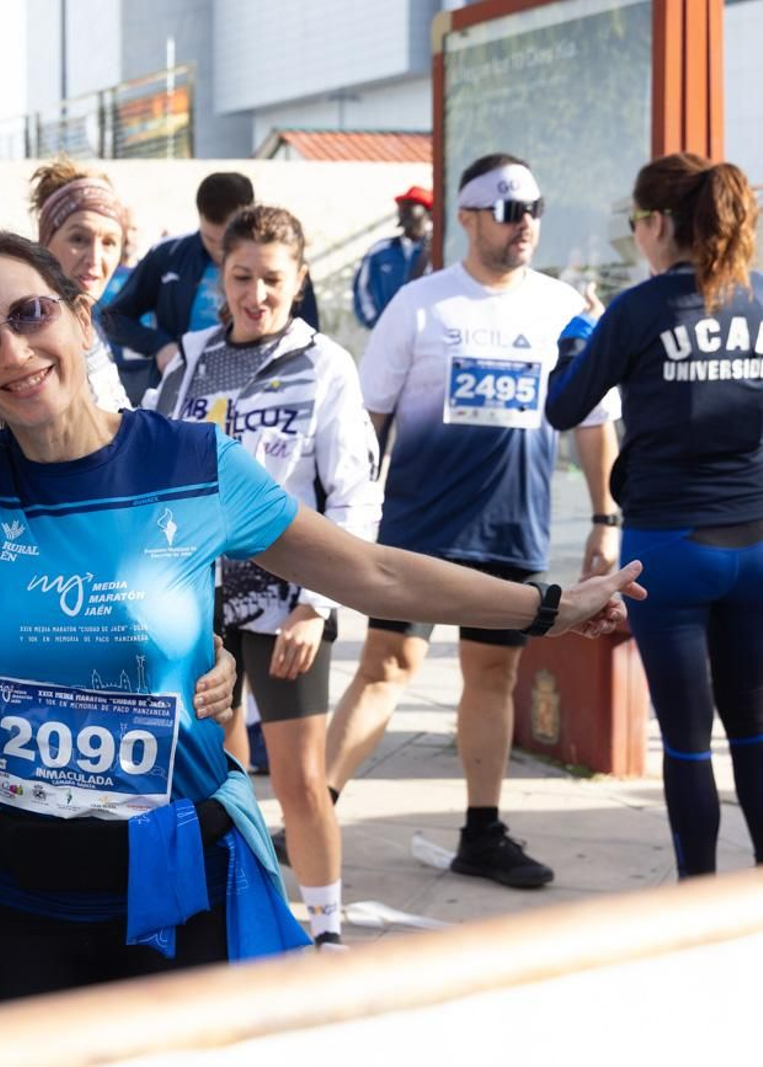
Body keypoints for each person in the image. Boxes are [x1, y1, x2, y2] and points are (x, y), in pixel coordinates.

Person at [0, 225, 640, 1002]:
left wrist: (545, 603)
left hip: (175, 873)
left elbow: (372, 572)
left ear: (81, 318)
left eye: (30, 314)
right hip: (18, 887)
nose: (12, 350)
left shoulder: (192, 463)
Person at [322, 153, 623, 889]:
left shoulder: (562, 308)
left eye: (534, 209)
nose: (526, 224)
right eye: (509, 209)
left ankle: (482, 835)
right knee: (386, 668)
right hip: (419, 533)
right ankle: (311, 812)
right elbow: (368, 423)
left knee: (495, 675)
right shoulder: (419, 304)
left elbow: (593, 422)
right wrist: (347, 519)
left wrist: (605, 516)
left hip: (512, 532)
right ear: (466, 217)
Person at [148, 204, 382, 948]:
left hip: (288, 604)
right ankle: (242, 923)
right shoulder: (188, 360)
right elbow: (153, 466)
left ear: (300, 278)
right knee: (214, 775)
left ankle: (328, 933)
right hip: (195, 603)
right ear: (221, 277)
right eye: (242, 276)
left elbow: (354, 492)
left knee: (301, 778)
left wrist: (318, 604)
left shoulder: (325, 363)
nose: (257, 295)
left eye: (273, 279)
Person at [547, 153, 763, 878]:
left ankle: (695, 902)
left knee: (688, 743)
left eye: (636, 221)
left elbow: (564, 407)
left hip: (669, 546)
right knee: (755, 732)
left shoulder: (636, 310)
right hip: (755, 539)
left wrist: (576, 338)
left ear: (661, 223)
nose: (635, 235)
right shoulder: (758, 296)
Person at [0, 158, 130, 431]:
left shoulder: (94, 332)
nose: (95, 258)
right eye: (79, 239)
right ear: (44, 243)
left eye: (109, 242)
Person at [102, 172, 320, 387]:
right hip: (182, 387)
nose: (220, 252)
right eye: (209, 239)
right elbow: (113, 317)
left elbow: (307, 335)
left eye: (227, 241)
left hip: (262, 387)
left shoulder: (284, 266)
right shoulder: (167, 256)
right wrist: (159, 345)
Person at [353, 185, 432, 328]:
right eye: (402, 207)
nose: (403, 211)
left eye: (411, 206)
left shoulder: (435, 251)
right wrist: (375, 322)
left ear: (426, 213)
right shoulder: (380, 251)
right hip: (387, 330)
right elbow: (362, 288)